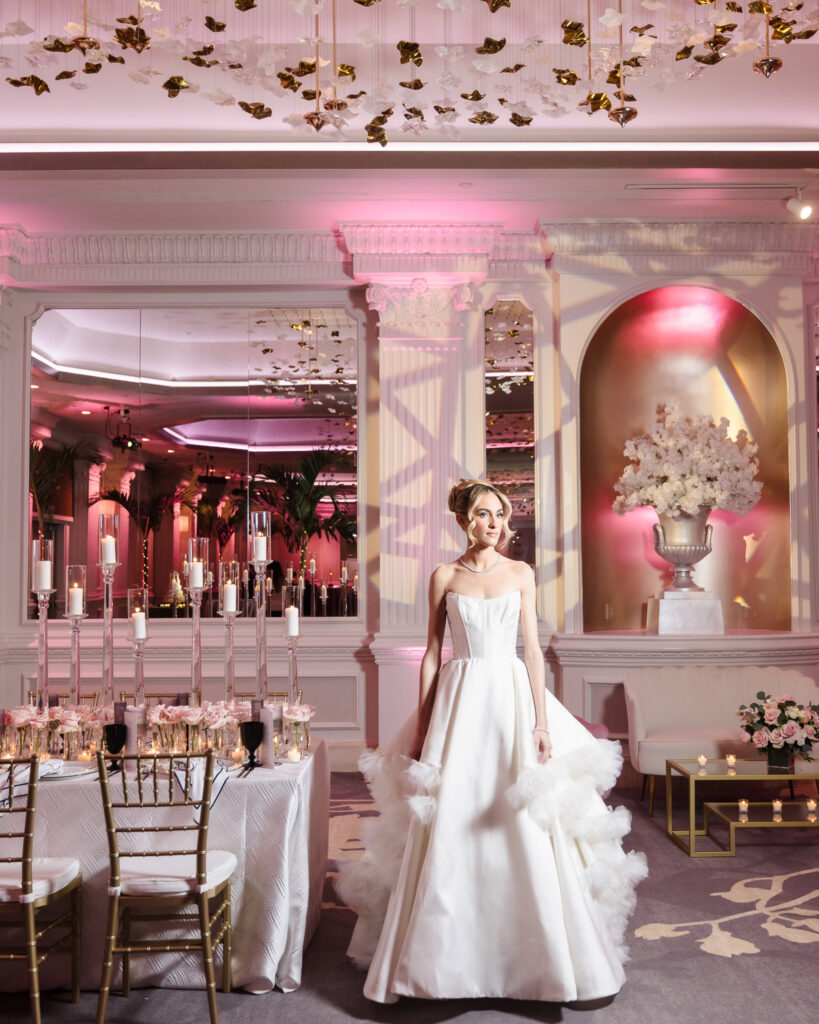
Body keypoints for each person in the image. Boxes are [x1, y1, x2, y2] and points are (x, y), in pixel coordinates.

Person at [338, 478, 647, 1004]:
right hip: (461, 702)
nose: (495, 525)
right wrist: (422, 724)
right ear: (464, 520)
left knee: (522, 817)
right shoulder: (444, 575)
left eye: (501, 515)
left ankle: (542, 957)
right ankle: (441, 962)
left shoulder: (521, 574)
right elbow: (434, 653)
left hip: (510, 700)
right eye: (484, 514)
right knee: (453, 814)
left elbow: (531, 651)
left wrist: (542, 721)